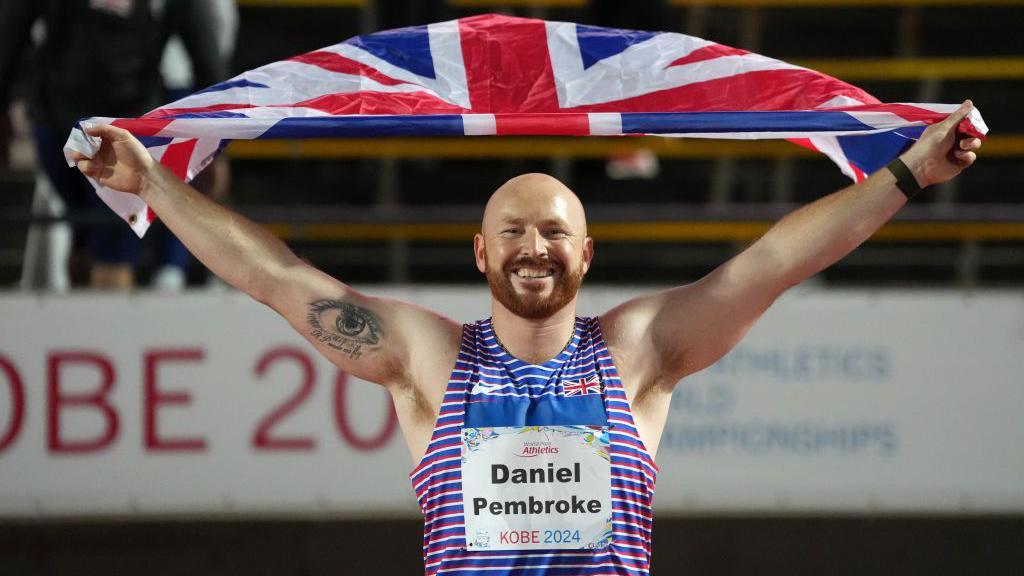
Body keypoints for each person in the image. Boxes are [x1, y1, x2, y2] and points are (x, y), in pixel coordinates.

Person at [70, 101, 981, 575]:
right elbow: (278, 279)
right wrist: (152, 184)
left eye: (552, 231)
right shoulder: (426, 358)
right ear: (480, 250)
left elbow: (775, 260)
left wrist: (904, 172)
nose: (533, 247)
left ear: (588, 252)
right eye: (512, 230)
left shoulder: (640, 349)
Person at [0, 0, 227, 290]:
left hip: (89, 125)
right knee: (103, 249)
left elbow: (203, 44)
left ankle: (81, 325)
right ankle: (88, 327)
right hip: (99, 124)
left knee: (93, 242)